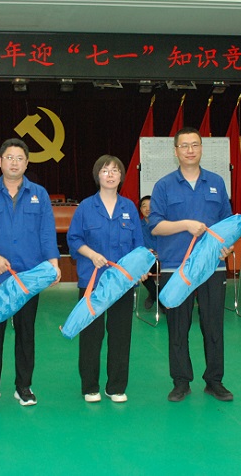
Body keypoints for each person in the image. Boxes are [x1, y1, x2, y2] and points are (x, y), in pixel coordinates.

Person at [0, 138, 61, 407]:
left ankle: (24, 387)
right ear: (0, 162)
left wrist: (54, 264)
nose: (14, 162)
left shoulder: (39, 194)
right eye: (9, 157)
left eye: (19, 158)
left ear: (27, 163)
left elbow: (47, 231)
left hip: (28, 277)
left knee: (25, 333)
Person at [148, 127, 234, 403]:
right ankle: (181, 381)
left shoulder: (216, 182)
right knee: (178, 326)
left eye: (194, 145)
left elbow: (227, 224)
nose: (189, 150)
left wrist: (228, 246)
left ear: (201, 149)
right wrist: (185, 225)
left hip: (212, 267)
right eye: (184, 146)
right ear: (175, 151)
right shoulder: (163, 186)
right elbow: (155, 226)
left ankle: (214, 381)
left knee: (213, 325)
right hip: (176, 268)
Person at [67, 155, 144, 403]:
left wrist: (140, 268)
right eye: (105, 170)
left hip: (122, 283)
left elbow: (138, 246)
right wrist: (91, 255)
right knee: (91, 335)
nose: (110, 175)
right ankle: (90, 386)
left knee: (120, 335)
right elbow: (74, 239)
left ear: (121, 176)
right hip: (93, 281)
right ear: (97, 175)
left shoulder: (129, 208)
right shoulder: (85, 207)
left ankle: (116, 387)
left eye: (115, 171)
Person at [139, 195, 160, 310]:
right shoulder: (137, 226)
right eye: (144, 206)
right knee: (141, 270)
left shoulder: (162, 224)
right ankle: (160, 300)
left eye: (151, 206)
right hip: (147, 260)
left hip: (163, 259)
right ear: (140, 209)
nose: (148, 209)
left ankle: (153, 295)